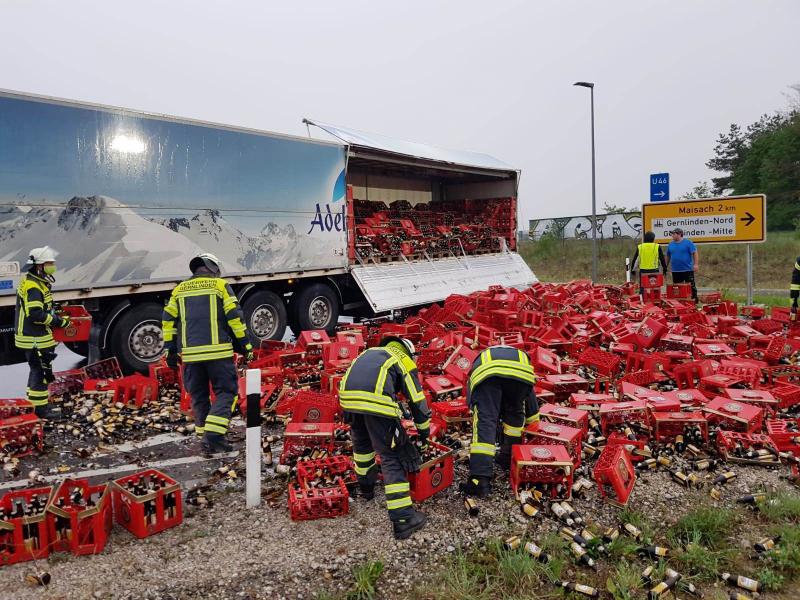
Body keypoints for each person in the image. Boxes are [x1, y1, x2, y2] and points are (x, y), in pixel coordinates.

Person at [338, 337, 431, 540]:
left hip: (348, 399)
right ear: (408, 351)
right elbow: (417, 400)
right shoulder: (403, 360)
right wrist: (424, 432)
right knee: (391, 455)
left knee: (362, 447)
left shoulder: (369, 353)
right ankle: (404, 519)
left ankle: (367, 488)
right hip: (376, 400)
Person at [162, 253, 253, 455]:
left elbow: (168, 321)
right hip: (218, 353)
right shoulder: (220, 286)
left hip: (191, 357)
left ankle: (205, 439)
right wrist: (246, 345)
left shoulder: (179, 290)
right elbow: (235, 318)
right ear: (213, 268)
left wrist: (170, 350)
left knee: (199, 395)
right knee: (226, 392)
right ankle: (214, 435)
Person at [462, 345, 539, 497]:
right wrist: (533, 422)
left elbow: (473, 399)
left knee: (486, 422)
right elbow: (529, 397)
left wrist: (481, 410)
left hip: (488, 376)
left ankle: (480, 479)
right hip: (521, 379)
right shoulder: (521, 360)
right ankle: (508, 459)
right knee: (515, 417)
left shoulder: (479, 365)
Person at [15, 246, 70, 419]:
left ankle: (34, 405)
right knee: (41, 373)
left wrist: (53, 310)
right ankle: (41, 411)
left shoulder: (33, 281)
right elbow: (35, 314)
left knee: (36, 372)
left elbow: (39, 307)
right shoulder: (33, 286)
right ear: (39, 265)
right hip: (35, 339)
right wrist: (59, 322)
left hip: (33, 337)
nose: (53, 266)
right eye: (50, 263)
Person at [665, 227, 699, 301]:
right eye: (672, 234)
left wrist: (696, 264)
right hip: (676, 270)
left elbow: (695, 253)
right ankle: (680, 301)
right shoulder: (670, 244)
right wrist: (665, 266)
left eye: (674, 234)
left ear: (680, 234)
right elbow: (668, 255)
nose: (672, 235)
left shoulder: (688, 242)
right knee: (677, 287)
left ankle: (694, 300)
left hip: (687, 269)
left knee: (690, 286)